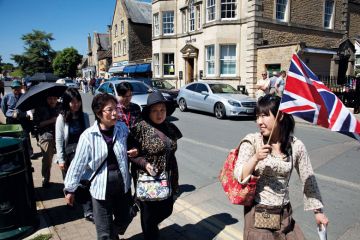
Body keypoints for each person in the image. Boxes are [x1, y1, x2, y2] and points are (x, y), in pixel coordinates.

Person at [234, 94, 329, 240]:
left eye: (265, 116)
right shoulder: (252, 141)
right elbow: (239, 175)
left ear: (280, 116)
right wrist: (255, 158)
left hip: (285, 215)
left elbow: (308, 178)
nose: (259, 121)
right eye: (257, 116)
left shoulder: (295, 145)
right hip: (259, 215)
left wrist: (318, 212)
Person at [64, 93, 132, 239]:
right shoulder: (88, 136)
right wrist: (70, 189)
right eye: (110, 110)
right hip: (101, 187)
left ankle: (113, 233)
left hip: (122, 184)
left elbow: (133, 145)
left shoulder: (122, 129)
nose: (115, 113)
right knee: (104, 232)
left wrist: (136, 150)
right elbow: (78, 164)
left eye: (116, 109)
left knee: (125, 218)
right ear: (98, 112)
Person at [129, 91, 182, 240]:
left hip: (168, 176)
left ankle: (151, 226)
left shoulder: (170, 128)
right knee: (148, 215)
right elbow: (131, 154)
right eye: (155, 111)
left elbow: (171, 151)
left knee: (167, 209)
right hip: (148, 179)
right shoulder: (140, 128)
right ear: (148, 112)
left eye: (162, 110)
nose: (159, 114)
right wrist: (144, 163)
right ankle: (150, 233)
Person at [55, 88, 93, 221]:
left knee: (84, 180)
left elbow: (89, 135)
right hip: (69, 153)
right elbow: (59, 140)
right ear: (66, 103)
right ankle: (70, 199)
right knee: (70, 180)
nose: (76, 104)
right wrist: (60, 159)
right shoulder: (61, 118)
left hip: (83, 151)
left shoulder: (84, 116)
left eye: (78, 101)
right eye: (72, 102)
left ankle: (87, 210)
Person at [1, 80, 34, 158]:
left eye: (18, 88)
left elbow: (27, 107)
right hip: (11, 119)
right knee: (12, 136)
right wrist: (10, 114)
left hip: (22, 118)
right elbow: (3, 107)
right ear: (12, 88)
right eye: (14, 88)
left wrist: (26, 114)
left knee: (25, 135)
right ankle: (14, 152)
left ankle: (29, 152)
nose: (16, 90)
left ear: (21, 88)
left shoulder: (24, 96)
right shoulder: (7, 96)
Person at [33, 95, 60, 188]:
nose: (52, 101)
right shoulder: (40, 108)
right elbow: (36, 125)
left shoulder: (60, 107)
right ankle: (45, 179)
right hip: (46, 137)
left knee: (63, 159)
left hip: (60, 136)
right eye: (50, 99)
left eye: (54, 98)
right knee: (47, 160)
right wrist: (51, 121)